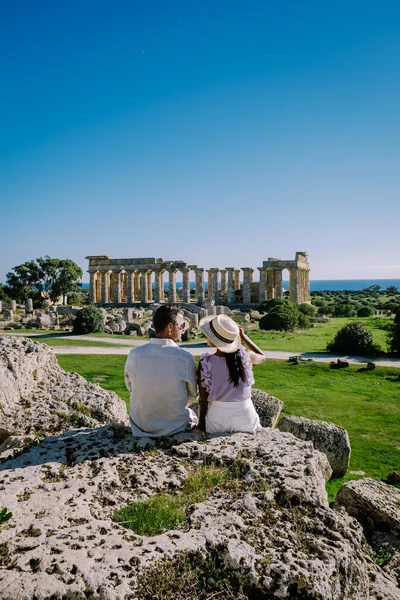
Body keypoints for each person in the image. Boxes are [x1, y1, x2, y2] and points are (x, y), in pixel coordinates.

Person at [124, 305, 198, 437]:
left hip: (141, 426)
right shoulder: (185, 358)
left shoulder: (134, 354)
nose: (183, 329)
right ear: (170, 327)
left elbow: (130, 386)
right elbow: (192, 394)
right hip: (175, 426)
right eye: (181, 325)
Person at [197, 314, 266, 434]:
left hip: (217, 417)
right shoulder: (246, 357)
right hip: (245, 414)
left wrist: (201, 426)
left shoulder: (206, 362)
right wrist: (244, 338)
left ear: (213, 339)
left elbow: (203, 400)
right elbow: (262, 356)